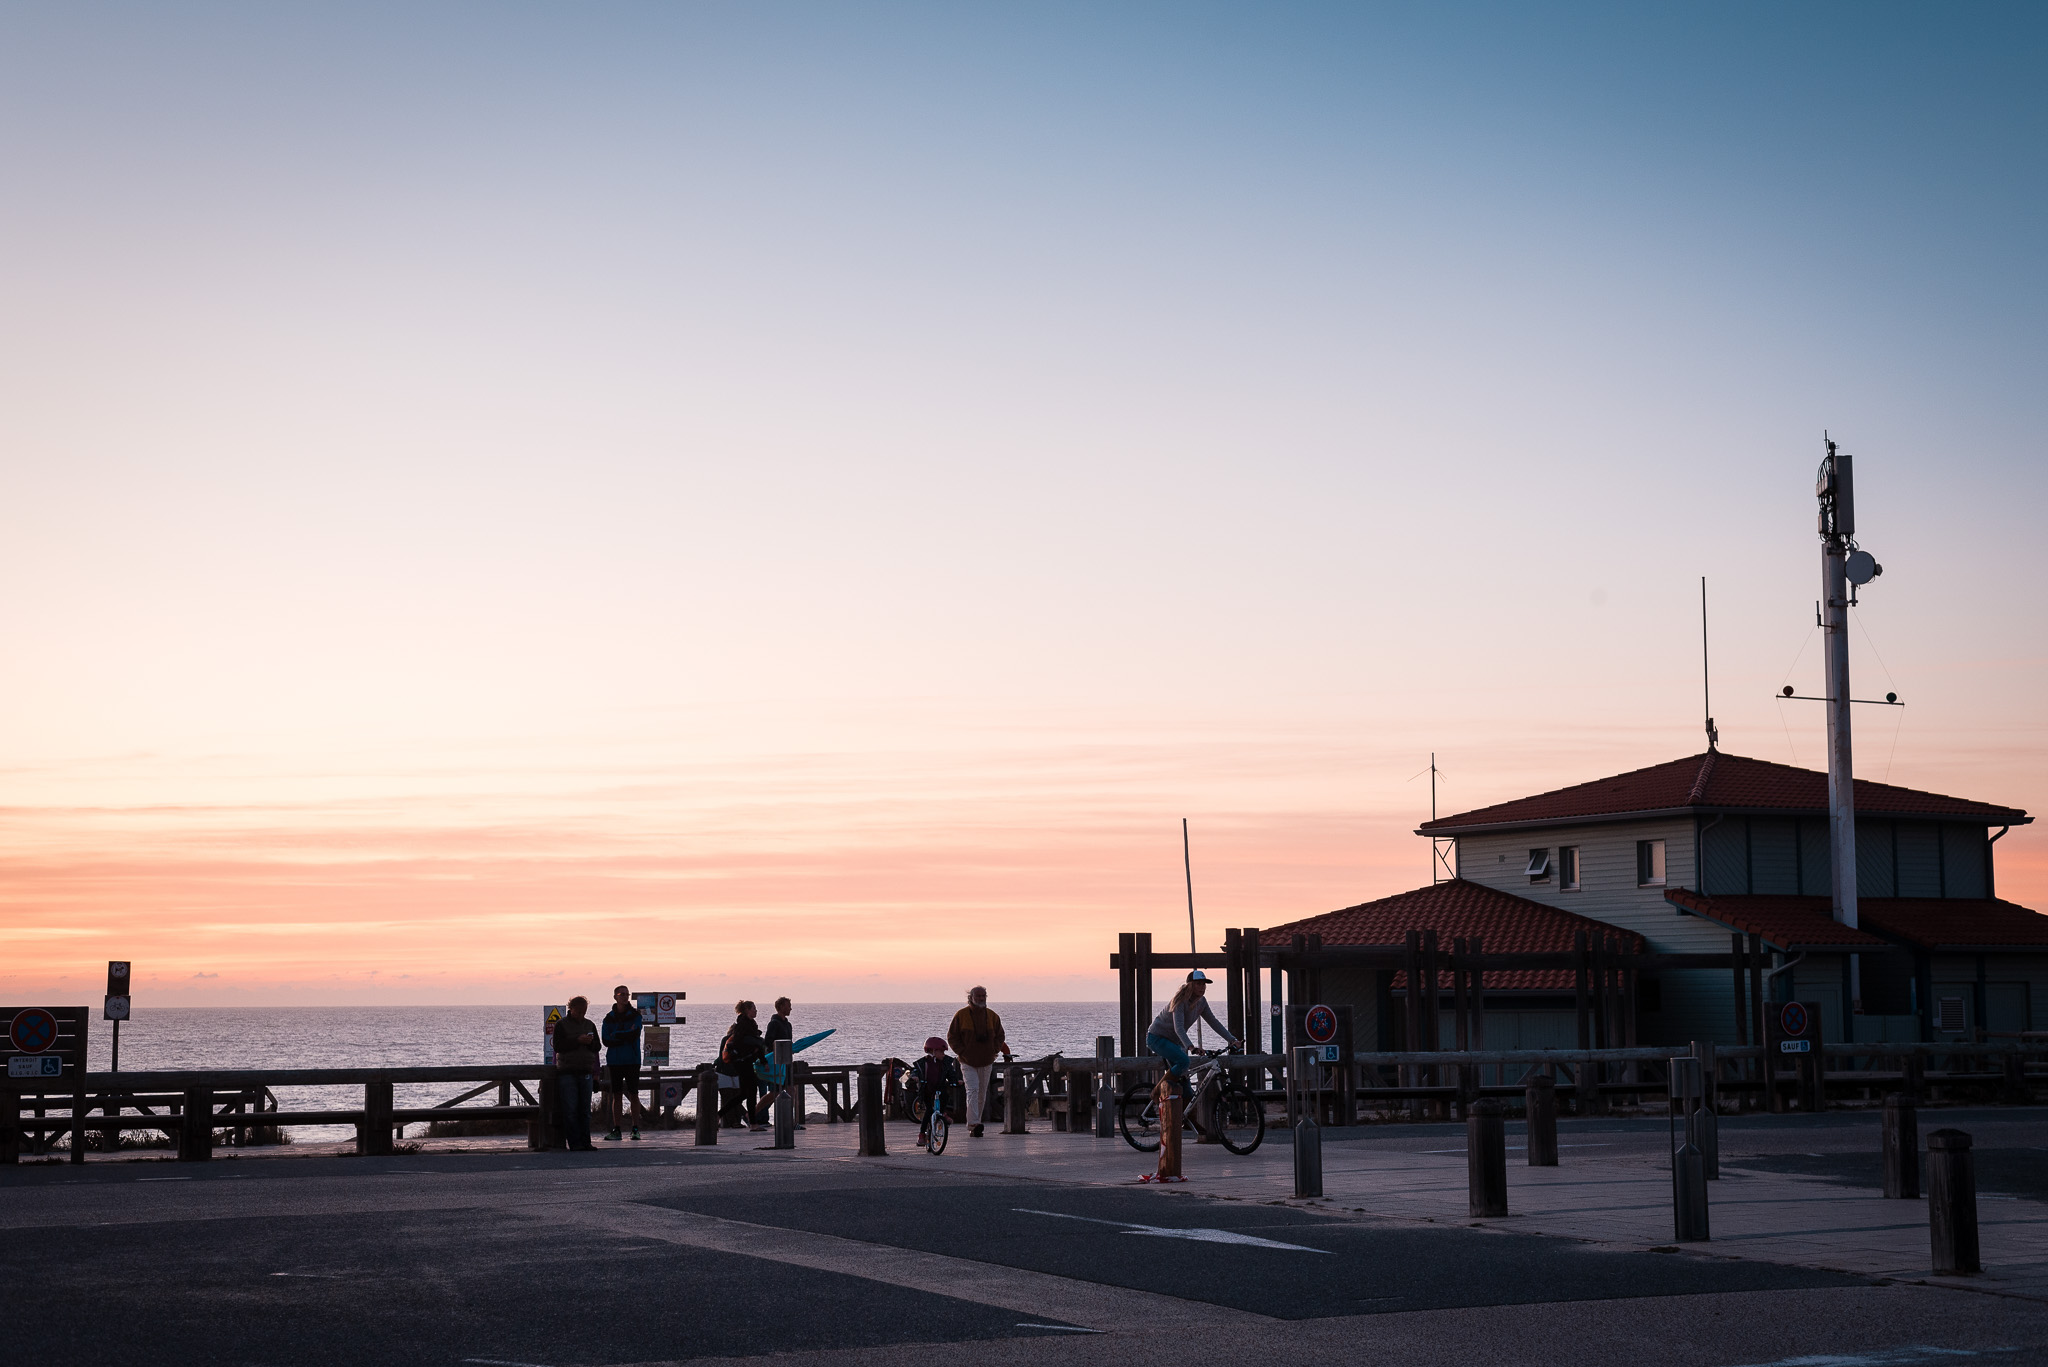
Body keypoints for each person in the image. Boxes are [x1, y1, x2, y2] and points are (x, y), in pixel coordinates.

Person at [1146, 971, 1239, 1082]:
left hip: (1176, 1041)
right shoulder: (1180, 1001)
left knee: (1185, 1082)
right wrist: (1191, 1047)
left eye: (1204, 984)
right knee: (1184, 1061)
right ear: (1191, 985)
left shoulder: (1202, 1002)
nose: (1202, 987)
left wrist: (1232, 1040)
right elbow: (1179, 1028)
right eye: (1198, 984)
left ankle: (1181, 1095)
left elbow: (1214, 1022)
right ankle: (1162, 1088)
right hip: (1157, 1038)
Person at [946, 985, 1012, 1138]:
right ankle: (973, 1123)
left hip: (987, 1060)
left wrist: (994, 1050)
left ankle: (976, 1124)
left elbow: (1000, 1036)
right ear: (971, 998)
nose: (981, 999)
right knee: (972, 1090)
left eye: (983, 996)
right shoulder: (961, 1015)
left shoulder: (993, 1016)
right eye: (978, 996)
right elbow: (952, 1037)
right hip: (967, 1061)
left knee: (982, 1093)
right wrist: (962, 1051)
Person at [552, 996, 600, 1151]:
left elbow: (597, 1046)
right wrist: (577, 1040)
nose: (581, 1015)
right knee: (570, 1109)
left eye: (584, 1012)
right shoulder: (561, 1025)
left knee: (585, 1110)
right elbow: (558, 1046)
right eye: (578, 1011)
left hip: (585, 1070)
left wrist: (590, 1042)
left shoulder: (589, 1024)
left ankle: (586, 1141)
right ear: (571, 1009)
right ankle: (574, 1143)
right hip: (567, 1071)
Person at [600, 984, 646, 1142]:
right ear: (615, 997)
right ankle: (617, 1129)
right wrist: (623, 1035)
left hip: (632, 1061)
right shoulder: (608, 1018)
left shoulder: (636, 1015)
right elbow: (605, 1040)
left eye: (627, 994)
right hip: (614, 1061)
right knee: (617, 1095)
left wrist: (616, 1035)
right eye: (621, 994)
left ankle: (635, 1129)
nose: (625, 996)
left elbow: (634, 1034)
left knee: (634, 1094)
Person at [718, 1000, 765, 1130]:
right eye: (753, 1008)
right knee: (751, 1092)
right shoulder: (744, 1025)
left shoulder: (749, 1024)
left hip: (744, 1062)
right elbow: (751, 1044)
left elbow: (756, 1045)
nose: (756, 1011)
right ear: (746, 1010)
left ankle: (719, 1114)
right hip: (743, 1062)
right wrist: (763, 1060)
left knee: (744, 1094)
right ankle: (754, 1124)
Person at [912, 1036, 960, 1150]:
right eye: (941, 1052)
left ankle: (942, 1113)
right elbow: (915, 1071)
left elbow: (951, 1074)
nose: (943, 1054)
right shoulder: (922, 1063)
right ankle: (922, 1134)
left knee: (945, 1097)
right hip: (927, 1091)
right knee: (929, 1110)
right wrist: (915, 1077)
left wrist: (956, 1081)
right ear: (933, 1051)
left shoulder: (946, 1063)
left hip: (940, 1089)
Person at [756, 997, 795, 1128]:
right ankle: (752, 1114)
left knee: (790, 1090)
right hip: (777, 1063)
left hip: (787, 1062)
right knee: (775, 1092)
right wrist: (780, 1050)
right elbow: (768, 1041)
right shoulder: (773, 1023)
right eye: (788, 1005)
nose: (790, 1008)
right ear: (781, 1006)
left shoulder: (788, 1024)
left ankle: (790, 1122)